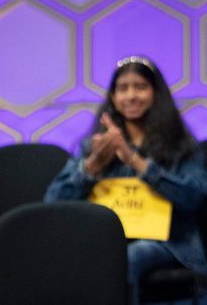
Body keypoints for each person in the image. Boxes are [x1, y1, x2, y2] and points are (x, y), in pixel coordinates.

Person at [45, 55, 207, 300]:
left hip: (168, 242)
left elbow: (194, 195)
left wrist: (135, 161)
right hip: (106, 239)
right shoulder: (95, 147)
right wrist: (93, 166)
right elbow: (53, 203)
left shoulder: (182, 146)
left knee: (128, 257)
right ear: (113, 97)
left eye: (140, 87)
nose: (131, 96)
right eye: (123, 88)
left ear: (155, 94)